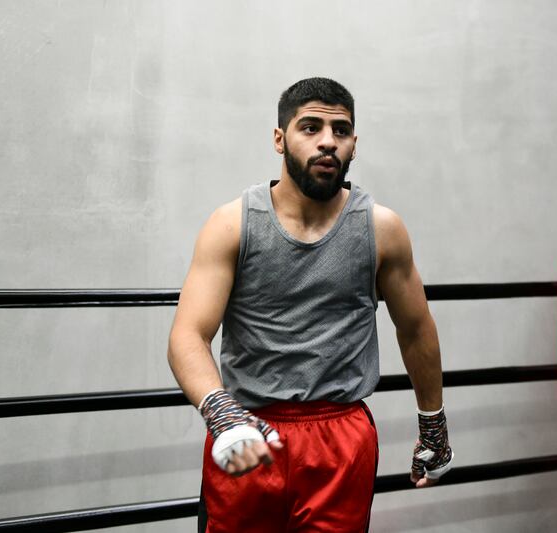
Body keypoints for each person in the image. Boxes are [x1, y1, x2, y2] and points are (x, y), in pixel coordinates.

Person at [167, 77, 453, 533]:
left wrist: (433, 424)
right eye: (310, 127)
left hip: (340, 437)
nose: (327, 142)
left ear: (354, 145)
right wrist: (220, 411)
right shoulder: (233, 224)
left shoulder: (381, 229)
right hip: (248, 427)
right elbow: (188, 334)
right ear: (280, 139)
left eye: (341, 131)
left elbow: (416, 328)